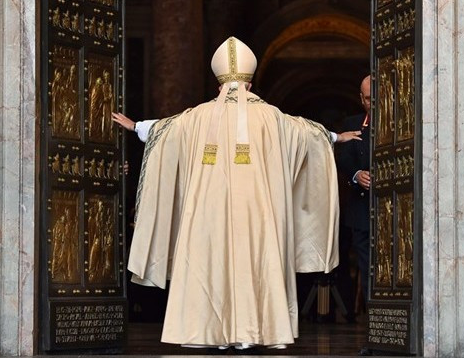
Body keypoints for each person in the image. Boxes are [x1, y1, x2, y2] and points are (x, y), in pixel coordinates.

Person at [112, 37, 361, 350]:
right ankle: (252, 333)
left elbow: (163, 130)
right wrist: (337, 136)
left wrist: (136, 126)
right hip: (258, 214)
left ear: (218, 86)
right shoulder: (273, 117)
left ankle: (202, 332)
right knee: (255, 261)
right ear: (251, 83)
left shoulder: (195, 117)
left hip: (206, 215)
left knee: (208, 261)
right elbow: (310, 134)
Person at [339, 75, 371, 305]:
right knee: (367, 266)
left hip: (398, 208)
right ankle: (375, 325)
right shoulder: (353, 124)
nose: (374, 103)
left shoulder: (402, 121)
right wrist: (356, 175)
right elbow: (344, 160)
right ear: (361, 99)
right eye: (370, 99)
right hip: (362, 211)